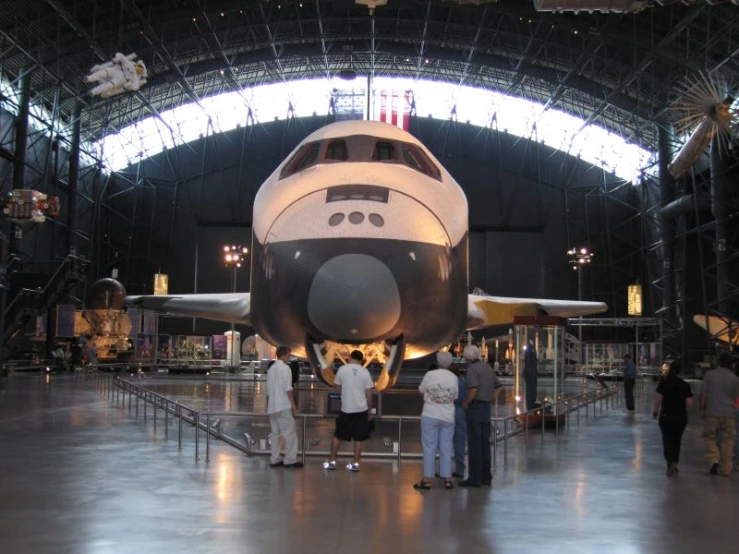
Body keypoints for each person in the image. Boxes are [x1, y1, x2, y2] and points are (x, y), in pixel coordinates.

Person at [323, 350, 374, 472]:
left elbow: (336, 385)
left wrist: (346, 390)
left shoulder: (342, 369)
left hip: (346, 408)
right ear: (361, 360)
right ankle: (355, 463)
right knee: (359, 437)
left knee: (338, 435)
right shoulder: (365, 372)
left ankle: (332, 461)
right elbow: (369, 392)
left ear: (350, 358)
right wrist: (370, 410)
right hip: (361, 408)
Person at [414, 352, 458, 490]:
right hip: (448, 415)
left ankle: (427, 479)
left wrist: (429, 395)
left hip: (431, 413)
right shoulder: (453, 377)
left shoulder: (430, 375)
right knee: (446, 447)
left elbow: (421, 390)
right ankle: (447, 479)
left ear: (438, 362)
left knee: (429, 447)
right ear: (450, 363)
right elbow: (455, 396)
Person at [460, 345, 502, 488]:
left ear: (467, 358)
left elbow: (473, 389)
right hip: (486, 409)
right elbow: (498, 385)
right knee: (485, 444)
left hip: (476, 408)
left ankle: (475, 478)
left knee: (474, 444)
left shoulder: (472, 369)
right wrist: (491, 398)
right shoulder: (487, 367)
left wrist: (466, 402)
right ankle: (486, 476)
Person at [700, 352, 739, 477]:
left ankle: (714, 459)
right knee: (728, 441)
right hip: (729, 414)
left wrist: (702, 409)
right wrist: (735, 408)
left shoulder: (709, 375)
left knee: (709, 436)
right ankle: (725, 469)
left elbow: (704, 394)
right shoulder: (735, 378)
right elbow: (737, 398)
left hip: (713, 412)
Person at [652, 360, 693, 477]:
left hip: (666, 415)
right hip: (680, 416)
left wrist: (655, 412)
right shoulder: (684, 385)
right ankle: (675, 461)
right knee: (677, 439)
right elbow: (689, 402)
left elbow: (658, 399)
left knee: (667, 439)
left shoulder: (664, 383)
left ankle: (670, 461)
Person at [266, 346, 303, 469]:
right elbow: (288, 388)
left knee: (275, 433)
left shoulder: (271, 368)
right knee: (289, 433)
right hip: (283, 405)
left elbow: (268, 389)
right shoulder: (285, 368)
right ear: (284, 355)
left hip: (272, 406)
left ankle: (275, 458)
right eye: (288, 355)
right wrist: (293, 405)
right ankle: (290, 459)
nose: (289, 357)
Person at [451, 361, 467, 479]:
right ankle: (460, 469)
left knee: (445, 441)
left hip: (450, 410)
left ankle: (443, 469)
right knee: (460, 442)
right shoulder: (462, 381)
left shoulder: (449, 381)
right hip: (461, 411)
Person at [523, 341, 538, 411]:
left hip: (531, 372)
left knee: (531, 390)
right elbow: (528, 361)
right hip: (531, 372)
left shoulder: (530, 349)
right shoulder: (530, 349)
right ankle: (530, 406)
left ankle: (531, 406)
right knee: (531, 390)